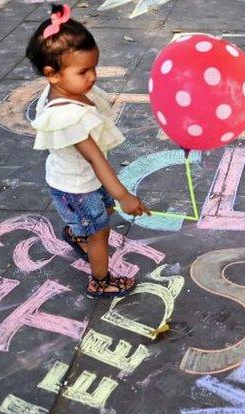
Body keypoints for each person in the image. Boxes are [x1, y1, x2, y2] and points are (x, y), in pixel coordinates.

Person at [25, 4, 150, 298]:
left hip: (83, 183)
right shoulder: (68, 114)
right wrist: (124, 196)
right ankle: (100, 280)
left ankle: (75, 229)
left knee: (101, 211)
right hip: (76, 188)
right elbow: (94, 157)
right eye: (83, 71)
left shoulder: (64, 91)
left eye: (94, 67)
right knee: (100, 232)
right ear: (52, 74)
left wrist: (112, 197)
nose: (92, 76)